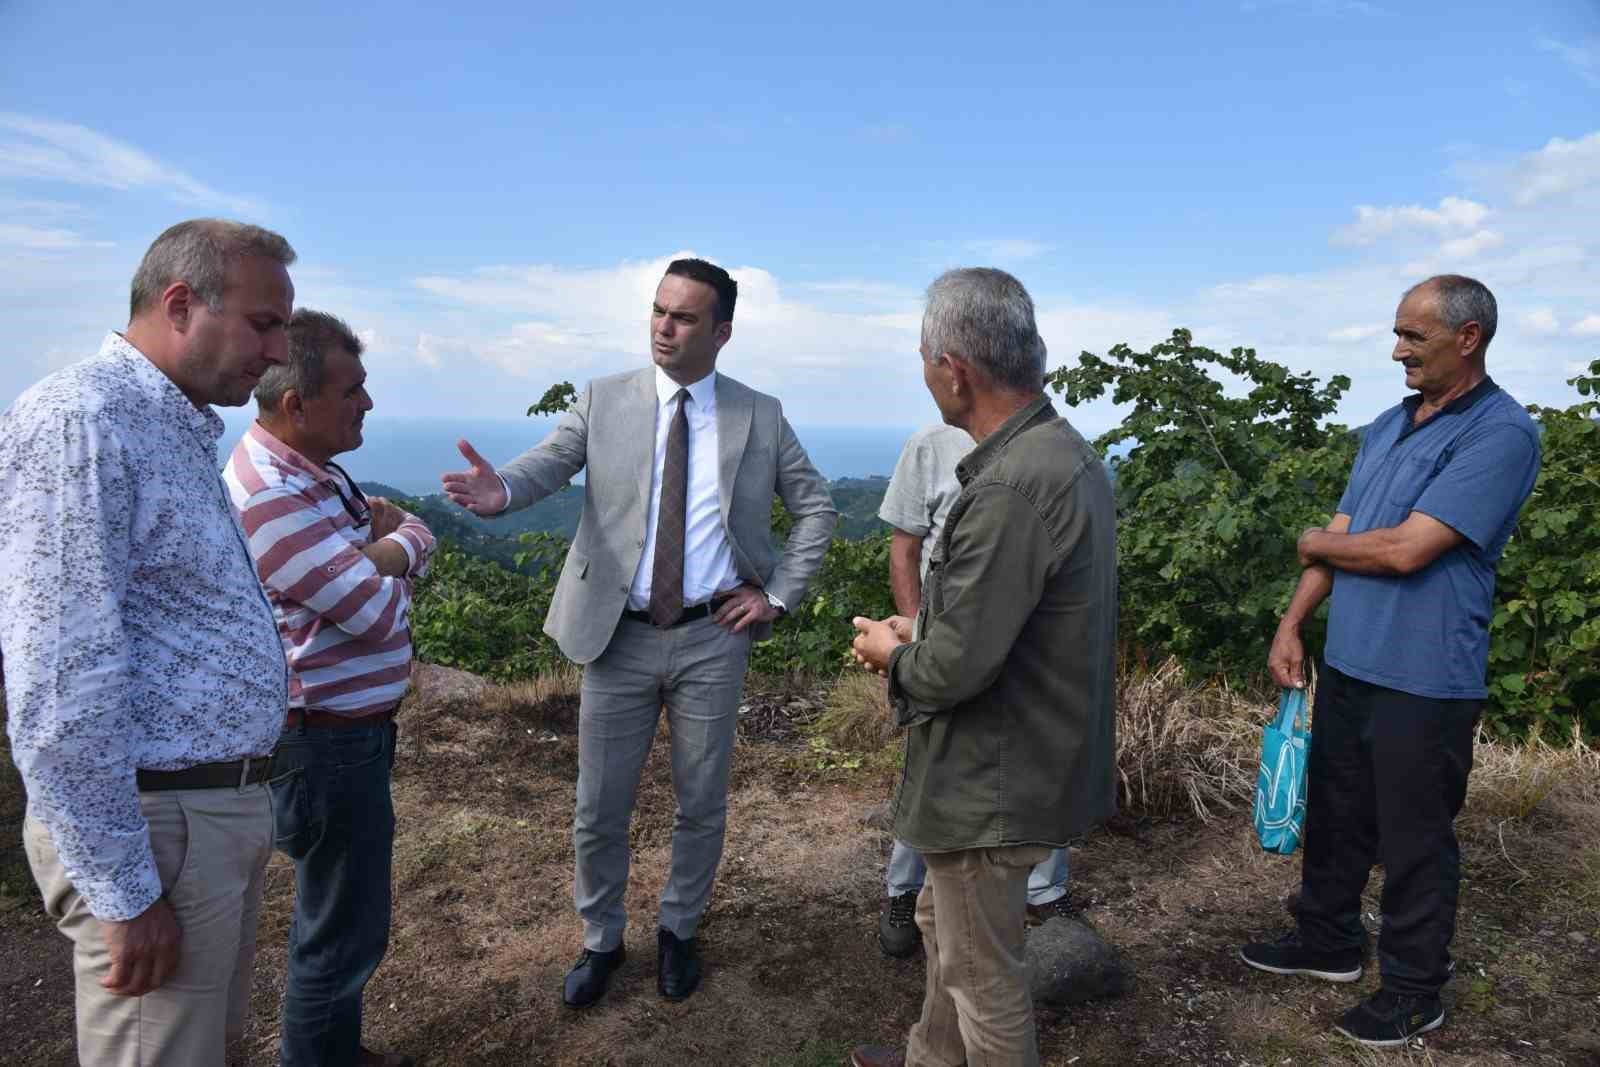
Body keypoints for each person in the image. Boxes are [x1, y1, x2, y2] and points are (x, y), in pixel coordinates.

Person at [440, 257, 837, 1008]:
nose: (664, 326)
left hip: (712, 634)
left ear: (720, 331)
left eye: (684, 317)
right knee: (599, 802)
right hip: (616, 636)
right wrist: (503, 491)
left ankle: (679, 928)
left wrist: (779, 595)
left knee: (702, 799)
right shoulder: (604, 397)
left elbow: (816, 507)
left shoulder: (760, 412)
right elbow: (550, 464)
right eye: (658, 310)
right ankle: (601, 938)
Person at [0, 219, 294, 1064]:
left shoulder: (168, 422)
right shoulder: (81, 422)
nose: (276, 353)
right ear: (179, 304)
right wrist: (124, 894)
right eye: (263, 323)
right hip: (158, 824)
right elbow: (60, 687)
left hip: (202, 817)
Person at [1239, 275, 1540, 1048]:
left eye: (1415, 335)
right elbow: (1350, 528)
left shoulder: (1501, 434)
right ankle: (1328, 941)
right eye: (1398, 332)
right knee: (1336, 814)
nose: (1398, 348)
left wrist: (1313, 543)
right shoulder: (1387, 423)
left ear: (1468, 338)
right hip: (1354, 661)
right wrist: (1293, 620)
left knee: (1415, 835)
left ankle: (1413, 990)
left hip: (1428, 673)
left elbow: (1407, 548)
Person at [848, 268, 1118, 1067]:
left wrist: (894, 651)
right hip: (1026, 750)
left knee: (979, 968)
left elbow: (953, 670)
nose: (926, 373)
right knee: (944, 923)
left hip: (992, 773)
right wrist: (926, 627)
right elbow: (1007, 619)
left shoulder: (1008, 485)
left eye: (926, 358)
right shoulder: (1063, 455)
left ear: (954, 368)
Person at [224, 310, 433, 1067]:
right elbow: (376, 612)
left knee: (345, 919)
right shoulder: (271, 496)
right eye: (353, 389)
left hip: (348, 737)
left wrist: (381, 547)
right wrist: (400, 543)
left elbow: (386, 562)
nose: (368, 403)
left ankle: (335, 1051)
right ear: (296, 405)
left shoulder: (314, 478)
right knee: (338, 930)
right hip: (324, 743)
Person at [875, 424, 1074, 959]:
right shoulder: (931, 445)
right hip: (943, 639)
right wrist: (918, 638)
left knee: (1029, 764)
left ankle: (1045, 894)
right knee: (931, 770)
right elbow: (905, 545)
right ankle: (904, 891)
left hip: (1020, 648)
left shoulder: (1048, 455)